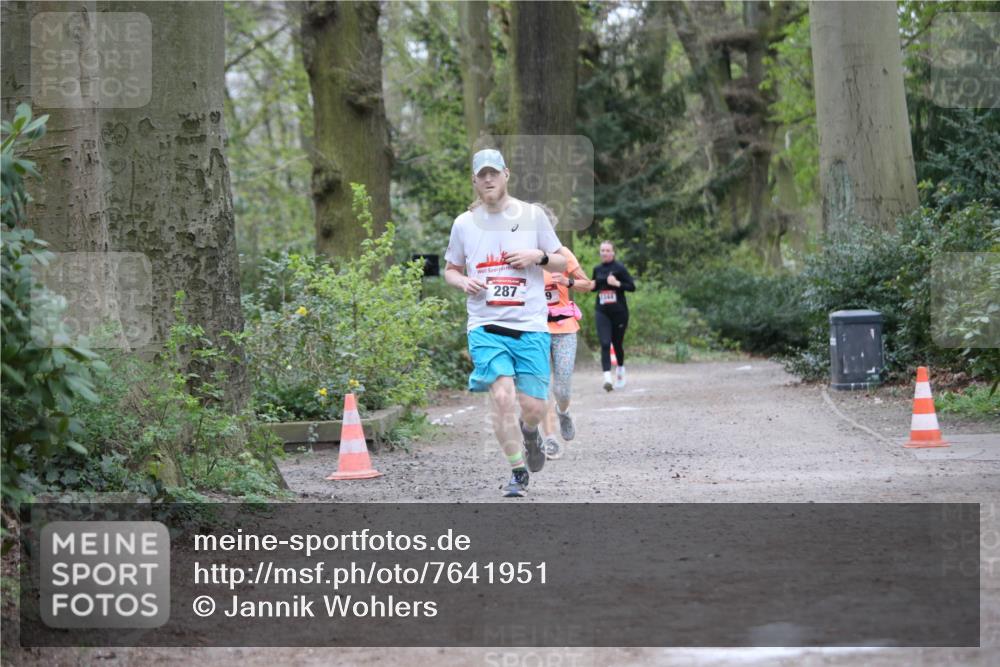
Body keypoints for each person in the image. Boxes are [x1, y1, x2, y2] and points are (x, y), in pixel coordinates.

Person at [444, 148, 567, 497]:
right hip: (485, 324)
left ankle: (530, 432)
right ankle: (517, 472)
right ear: (473, 180)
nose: (488, 179)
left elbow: (561, 262)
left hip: (529, 324)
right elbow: (450, 269)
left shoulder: (532, 216)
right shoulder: (463, 224)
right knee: (501, 397)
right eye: (481, 175)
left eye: (493, 173)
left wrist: (537, 256)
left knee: (533, 408)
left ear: (506, 175)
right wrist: (463, 281)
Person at [537, 205, 593, 460]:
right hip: (534, 328)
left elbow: (588, 285)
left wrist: (567, 282)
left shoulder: (563, 254)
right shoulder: (523, 255)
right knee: (540, 386)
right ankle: (549, 438)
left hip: (564, 328)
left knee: (562, 388)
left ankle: (564, 411)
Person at [592, 240, 635, 391]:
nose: (604, 253)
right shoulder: (597, 269)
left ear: (613, 252)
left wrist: (617, 284)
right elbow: (594, 287)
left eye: (607, 250)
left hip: (619, 312)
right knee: (604, 343)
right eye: (602, 250)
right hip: (602, 311)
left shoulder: (619, 268)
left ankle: (620, 369)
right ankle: (607, 378)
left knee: (617, 344)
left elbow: (631, 286)